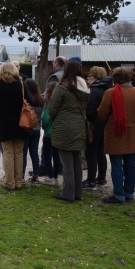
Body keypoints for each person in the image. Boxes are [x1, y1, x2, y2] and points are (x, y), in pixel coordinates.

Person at [97, 68, 135, 203]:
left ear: (114, 78)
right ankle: (129, 193)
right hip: (133, 133)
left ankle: (119, 194)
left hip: (116, 133)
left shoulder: (111, 92)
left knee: (117, 165)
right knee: (130, 165)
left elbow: (102, 114)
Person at [47, 60, 90, 203]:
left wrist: (56, 118)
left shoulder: (62, 87)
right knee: (76, 161)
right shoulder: (85, 88)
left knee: (66, 162)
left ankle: (68, 193)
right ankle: (77, 192)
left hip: (64, 127)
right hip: (79, 126)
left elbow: (52, 108)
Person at [0, 63, 33, 190]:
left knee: (8, 153)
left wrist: (2, 112)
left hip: (4, 123)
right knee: (19, 153)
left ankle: (9, 182)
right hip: (21, 122)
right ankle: (18, 182)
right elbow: (30, 100)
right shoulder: (21, 84)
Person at [83, 66, 112, 190]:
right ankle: (101, 178)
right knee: (100, 153)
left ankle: (90, 181)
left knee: (91, 154)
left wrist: (85, 118)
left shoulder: (94, 91)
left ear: (94, 77)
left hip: (94, 126)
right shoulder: (108, 89)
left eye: (89, 76)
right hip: (104, 125)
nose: (88, 78)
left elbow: (90, 111)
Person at [22, 79, 44, 183]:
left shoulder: (26, 99)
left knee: (24, 152)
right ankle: (35, 175)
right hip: (37, 128)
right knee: (34, 153)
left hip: (27, 127)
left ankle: (21, 175)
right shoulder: (40, 99)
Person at [41, 82, 61, 186]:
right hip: (58, 133)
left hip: (49, 133)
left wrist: (44, 127)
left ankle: (51, 176)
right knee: (56, 154)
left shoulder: (50, 104)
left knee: (47, 153)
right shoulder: (60, 103)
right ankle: (56, 176)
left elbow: (45, 119)